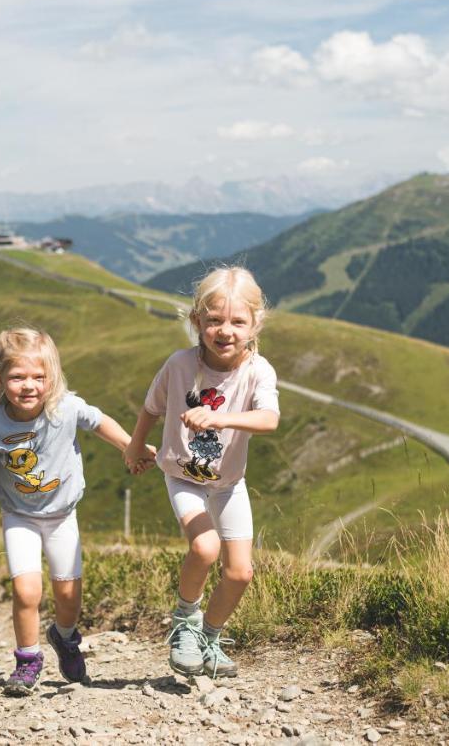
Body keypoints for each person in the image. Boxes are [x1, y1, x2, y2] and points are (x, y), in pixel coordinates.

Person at [0, 327, 153, 696]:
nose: (29, 385)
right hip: (19, 517)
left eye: (39, 377)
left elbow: (99, 423)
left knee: (68, 597)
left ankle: (64, 638)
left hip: (63, 514)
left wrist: (131, 448)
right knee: (26, 590)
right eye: (18, 377)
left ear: (53, 378)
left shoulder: (66, 408)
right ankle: (27, 660)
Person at [124, 267, 280, 678]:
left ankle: (210, 637)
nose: (224, 330)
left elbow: (269, 419)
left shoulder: (258, 371)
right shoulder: (178, 364)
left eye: (237, 322)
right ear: (197, 322)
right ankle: (185, 623)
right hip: (182, 475)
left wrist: (221, 418)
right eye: (214, 320)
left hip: (229, 483)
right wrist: (135, 446)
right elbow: (151, 408)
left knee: (240, 573)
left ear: (255, 324)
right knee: (206, 548)